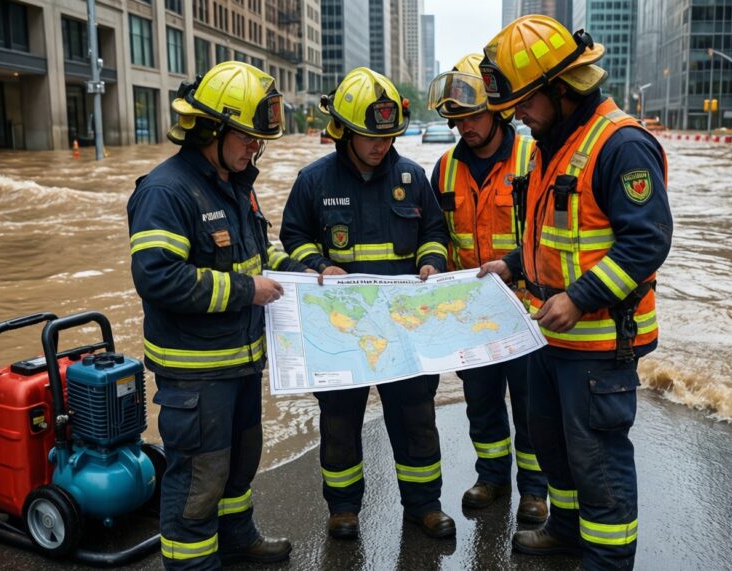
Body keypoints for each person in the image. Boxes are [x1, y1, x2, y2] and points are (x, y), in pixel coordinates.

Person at [477, 16, 673, 570]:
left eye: (524, 101)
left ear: (561, 88)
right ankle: (564, 530)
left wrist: (580, 297)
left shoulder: (621, 145)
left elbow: (647, 242)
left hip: (597, 343)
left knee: (598, 460)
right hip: (551, 335)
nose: (515, 114)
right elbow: (557, 236)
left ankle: (607, 561)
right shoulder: (551, 140)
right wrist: (513, 264)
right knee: (552, 445)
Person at [126, 61, 308, 570]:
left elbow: (261, 253)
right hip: (197, 373)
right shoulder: (165, 191)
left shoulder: (233, 182)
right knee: (198, 482)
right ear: (212, 128)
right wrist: (247, 291)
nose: (255, 149)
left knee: (238, 465)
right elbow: (158, 276)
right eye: (248, 138)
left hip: (241, 362)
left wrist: (308, 272)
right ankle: (193, 563)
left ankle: (236, 539)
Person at [278, 67, 455, 541]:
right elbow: (290, 238)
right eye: (371, 137)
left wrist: (432, 264)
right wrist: (317, 266)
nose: (382, 145)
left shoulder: (412, 177)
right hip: (341, 329)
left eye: (389, 136)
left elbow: (435, 232)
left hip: (403, 328)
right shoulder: (313, 181)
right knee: (339, 423)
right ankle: (343, 509)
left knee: (416, 418)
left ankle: (424, 506)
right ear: (346, 132)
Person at [426, 53, 548, 523]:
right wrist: (433, 262)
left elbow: (547, 234)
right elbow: (435, 233)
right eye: (456, 119)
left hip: (524, 311)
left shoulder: (531, 159)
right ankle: (492, 476)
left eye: (472, 116)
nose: (464, 128)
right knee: (481, 404)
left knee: (531, 407)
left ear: (496, 110)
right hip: (471, 315)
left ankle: (534, 490)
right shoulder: (443, 169)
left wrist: (514, 266)